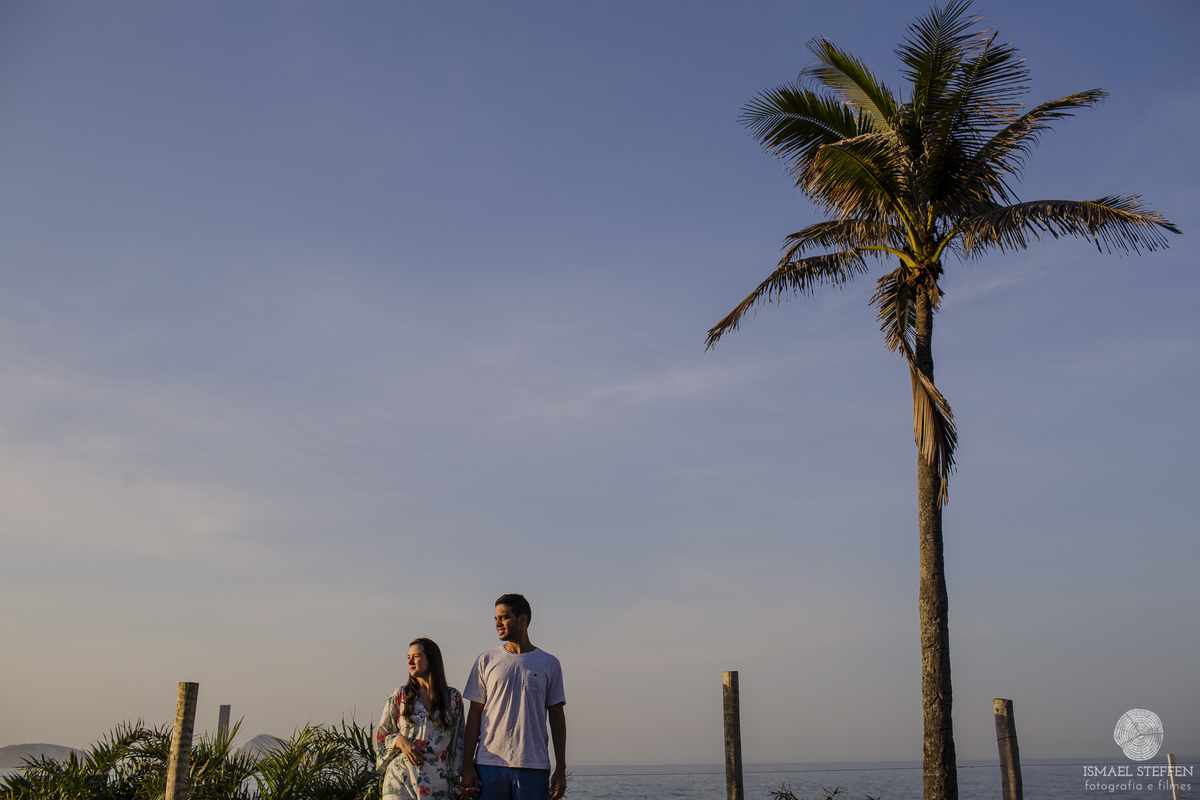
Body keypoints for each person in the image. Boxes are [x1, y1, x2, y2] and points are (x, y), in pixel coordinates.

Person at [461, 594, 566, 800]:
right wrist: (467, 766)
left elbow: (557, 718)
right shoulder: (486, 660)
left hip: (533, 765)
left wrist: (561, 768)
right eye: (495, 619)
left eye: (504, 617)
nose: (498, 623)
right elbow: (474, 716)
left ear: (522, 619)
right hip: (488, 764)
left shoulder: (549, 663)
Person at [376, 638, 465, 800]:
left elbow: (458, 744)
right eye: (408, 657)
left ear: (431, 659)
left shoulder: (453, 698)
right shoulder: (400, 695)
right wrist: (400, 741)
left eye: (416, 656)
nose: (410, 660)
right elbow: (383, 735)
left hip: (437, 781)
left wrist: (461, 780)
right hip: (399, 779)